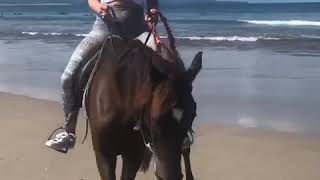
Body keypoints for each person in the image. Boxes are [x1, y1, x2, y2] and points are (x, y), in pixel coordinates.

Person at [45, 0, 159, 153]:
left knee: (164, 66)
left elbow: (152, 2)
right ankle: (68, 131)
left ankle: (165, 130)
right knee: (67, 77)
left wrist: (153, 11)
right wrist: (99, 8)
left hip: (138, 28)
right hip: (104, 27)